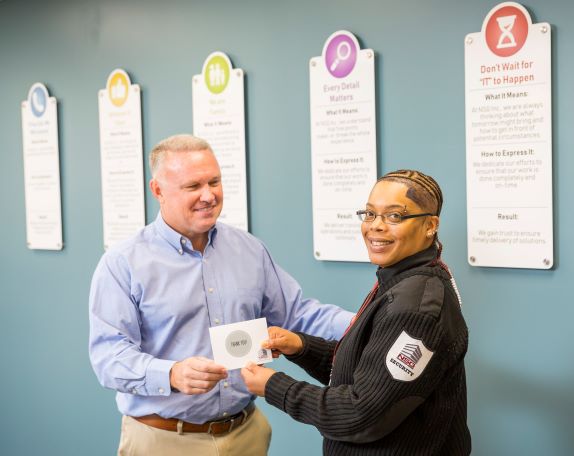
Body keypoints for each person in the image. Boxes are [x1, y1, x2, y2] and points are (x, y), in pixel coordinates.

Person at [88, 134, 353, 456]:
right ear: (157, 190)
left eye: (214, 182)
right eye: (193, 186)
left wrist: (371, 322)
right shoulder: (123, 262)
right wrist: (171, 374)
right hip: (165, 440)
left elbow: (299, 314)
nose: (208, 195)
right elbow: (109, 358)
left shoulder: (248, 249)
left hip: (246, 434)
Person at [242, 170, 471, 455]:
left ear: (430, 226)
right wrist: (301, 346)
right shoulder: (401, 281)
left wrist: (275, 387)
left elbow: (361, 414)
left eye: (395, 216)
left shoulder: (416, 308)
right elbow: (364, 373)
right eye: (370, 214)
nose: (376, 226)